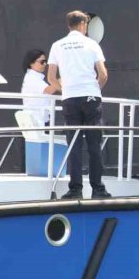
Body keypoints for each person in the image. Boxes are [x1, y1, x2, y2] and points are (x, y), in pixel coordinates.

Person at [47, 11, 111, 200]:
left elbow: (51, 77)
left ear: (69, 25)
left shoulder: (57, 45)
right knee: (94, 145)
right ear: (84, 25)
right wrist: (95, 90)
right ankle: (97, 188)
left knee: (74, 144)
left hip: (70, 99)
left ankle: (75, 189)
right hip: (91, 97)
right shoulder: (92, 44)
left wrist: (65, 90)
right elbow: (103, 73)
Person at [21, 49, 60, 126]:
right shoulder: (32, 78)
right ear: (31, 63)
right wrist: (64, 78)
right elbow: (48, 90)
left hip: (38, 120)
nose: (45, 64)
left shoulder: (32, 77)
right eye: (42, 62)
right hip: (37, 121)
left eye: (45, 61)